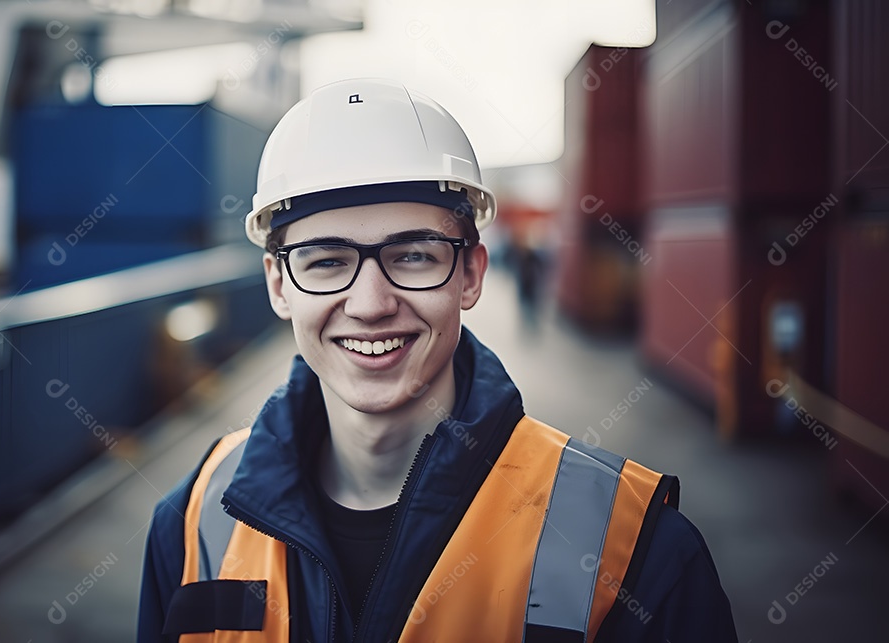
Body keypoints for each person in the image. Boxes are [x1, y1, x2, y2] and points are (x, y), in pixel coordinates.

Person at [138, 78, 738, 643]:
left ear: (471, 275)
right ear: (278, 285)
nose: (370, 305)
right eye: (325, 261)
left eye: (414, 256)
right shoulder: (191, 526)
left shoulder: (636, 551)